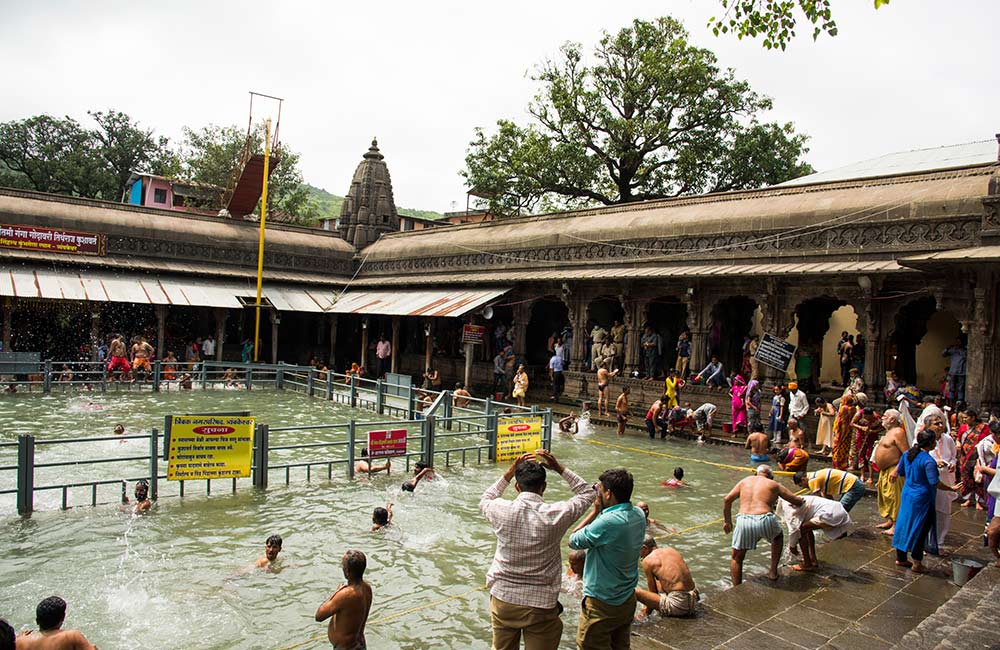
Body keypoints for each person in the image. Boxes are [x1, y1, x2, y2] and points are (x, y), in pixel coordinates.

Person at [480, 449, 595, 650]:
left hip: (503, 598)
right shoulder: (557, 514)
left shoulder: (500, 510)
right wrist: (559, 468)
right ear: (544, 487)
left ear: (517, 486)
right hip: (540, 603)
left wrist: (510, 471)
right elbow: (588, 492)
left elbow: (487, 497)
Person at [569, 468, 646, 650]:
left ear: (609, 493)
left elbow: (573, 540)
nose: (599, 493)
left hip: (602, 603)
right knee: (620, 645)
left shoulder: (608, 521)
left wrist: (595, 512)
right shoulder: (639, 515)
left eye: (601, 490)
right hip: (626, 597)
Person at [723, 465, 804, 585]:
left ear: (756, 473)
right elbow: (795, 500)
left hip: (743, 520)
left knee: (737, 558)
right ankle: (773, 572)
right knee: (778, 537)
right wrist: (802, 500)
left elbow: (727, 499)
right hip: (765, 518)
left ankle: (736, 587)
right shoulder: (773, 484)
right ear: (771, 476)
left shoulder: (745, 481)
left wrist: (727, 521)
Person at [893, 430, 955, 571]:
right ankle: (917, 562)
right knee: (920, 529)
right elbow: (934, 482)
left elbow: (901, 472)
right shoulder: (928, 461)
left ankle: (901, 558)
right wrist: (950, 488)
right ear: (931, 443)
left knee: (904, 524)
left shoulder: (907, 455)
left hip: (908, 494)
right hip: (922, 499)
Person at [315, 550, 373, 650]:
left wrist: (337, 592)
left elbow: (319, 616)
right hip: (360, 645)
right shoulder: (367, 588)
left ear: (347, 572)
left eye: (343, 567)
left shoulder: (346, 594)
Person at [779, 495, 851, 572]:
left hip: (830, 514)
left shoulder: (786, 508)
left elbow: (794, 530)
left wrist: (792, 547)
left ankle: (807, 564)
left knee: (801, 530)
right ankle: (812, 558)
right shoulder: (791, 498)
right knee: (806, 528)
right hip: (838, 509)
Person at [634, 537, 698, 620]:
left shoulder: (647, 560)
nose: (639, 555)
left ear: (644, 548)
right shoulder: (671, 550)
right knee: (659, 579)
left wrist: (645, 613)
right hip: (694, 597)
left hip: (679, 605)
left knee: (634, 591)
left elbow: (653, 592)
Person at [15, 596, 97, 650]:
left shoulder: (19, 642)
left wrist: (18, 639)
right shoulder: (71, 636)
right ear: (63, 617)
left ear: (37, 620)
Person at [875, 409, 909, 534]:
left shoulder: (898, 432)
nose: (882, 418)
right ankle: (890, 520)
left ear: (892, 419)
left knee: (895, 498)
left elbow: (906, 453)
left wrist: (897, 470)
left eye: (885, 416)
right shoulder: (889, 432)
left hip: (894, 469)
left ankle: (896, 525)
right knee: (887, 496)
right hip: (885, 470)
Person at [928, 414, 958, 546]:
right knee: (928, 510)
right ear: (928, 426)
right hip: (930, 481)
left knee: (944, 511)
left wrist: (952, 463)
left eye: (941, 423)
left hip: (946, 479)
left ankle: (939, 541)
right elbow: (918, 455)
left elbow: (954, 456)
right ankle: (926, 541)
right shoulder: (923, 439)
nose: (940, 426)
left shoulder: (948, 439)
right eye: (936, 423)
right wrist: (935, 462)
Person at [793, 467, 866, 512]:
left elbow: (817, 500)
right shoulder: (814, 475)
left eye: (801, 485)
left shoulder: (812, 480)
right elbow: (828, 498)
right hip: (854, 483)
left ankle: (840, 533)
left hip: (853, 486)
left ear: (803, 479)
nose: (803, 488)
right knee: (837, 509)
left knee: (839, 511)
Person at [958, 409, 990, 509]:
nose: (964, 420)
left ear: (973, 417)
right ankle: (968, 499)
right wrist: (958, 443)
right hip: (965, 457)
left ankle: (978, 501)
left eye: (966, 417)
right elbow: (959, 439)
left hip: (977, 457)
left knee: (978, 478)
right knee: (967, 477)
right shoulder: (963, 428)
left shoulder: (983, 428)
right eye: (963, 417)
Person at [851, 407, 883, 483]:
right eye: (865, 417)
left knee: (869, 456)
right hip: (861, 436)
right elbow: (851, 423)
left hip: (871, 437)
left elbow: (883, 427)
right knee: (861, 455)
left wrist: (874, 431)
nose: (866, 418)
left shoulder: (877, 418)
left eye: (868, 417)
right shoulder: (859, 414)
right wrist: (861, 427)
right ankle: (862, 475)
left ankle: (870, 476)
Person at [830, 394, 858, 470]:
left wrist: (835, 430)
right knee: (845, 448)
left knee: (838, 448)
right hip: (848, 431)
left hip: (841, 431)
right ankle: (844, 463)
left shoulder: (844, 408)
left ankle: (837, 464)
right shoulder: (854, 408)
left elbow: (839, 421)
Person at [942, 338, 966, 404]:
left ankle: (960, 401)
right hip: (953, 371)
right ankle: (951, 401)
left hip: (961, 372)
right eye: (956, 341)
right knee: (952, 387)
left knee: (960, 387)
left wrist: (960, 350)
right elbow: (943, 354)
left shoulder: (964, 350)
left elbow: (965, 356)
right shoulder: (953, 350)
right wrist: (947, 348)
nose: (957, 343)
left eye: (959, 342)